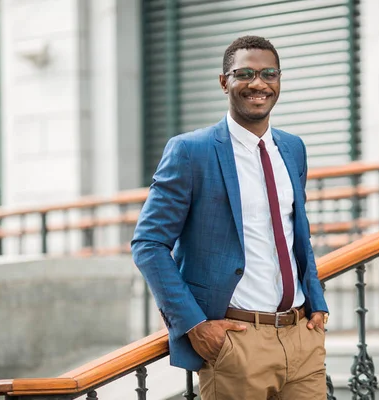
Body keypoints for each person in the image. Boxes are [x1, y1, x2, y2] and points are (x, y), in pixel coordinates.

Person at [132, 35, 329, 400]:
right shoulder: (192, 151)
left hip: (301, 338)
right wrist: (194, 325)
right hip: (237, 342)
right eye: (245, 74)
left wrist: (317, 302)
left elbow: (295, 234)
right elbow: (148, 244)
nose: (259, 83)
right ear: (225, 81)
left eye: (269, 73)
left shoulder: (293, 148)